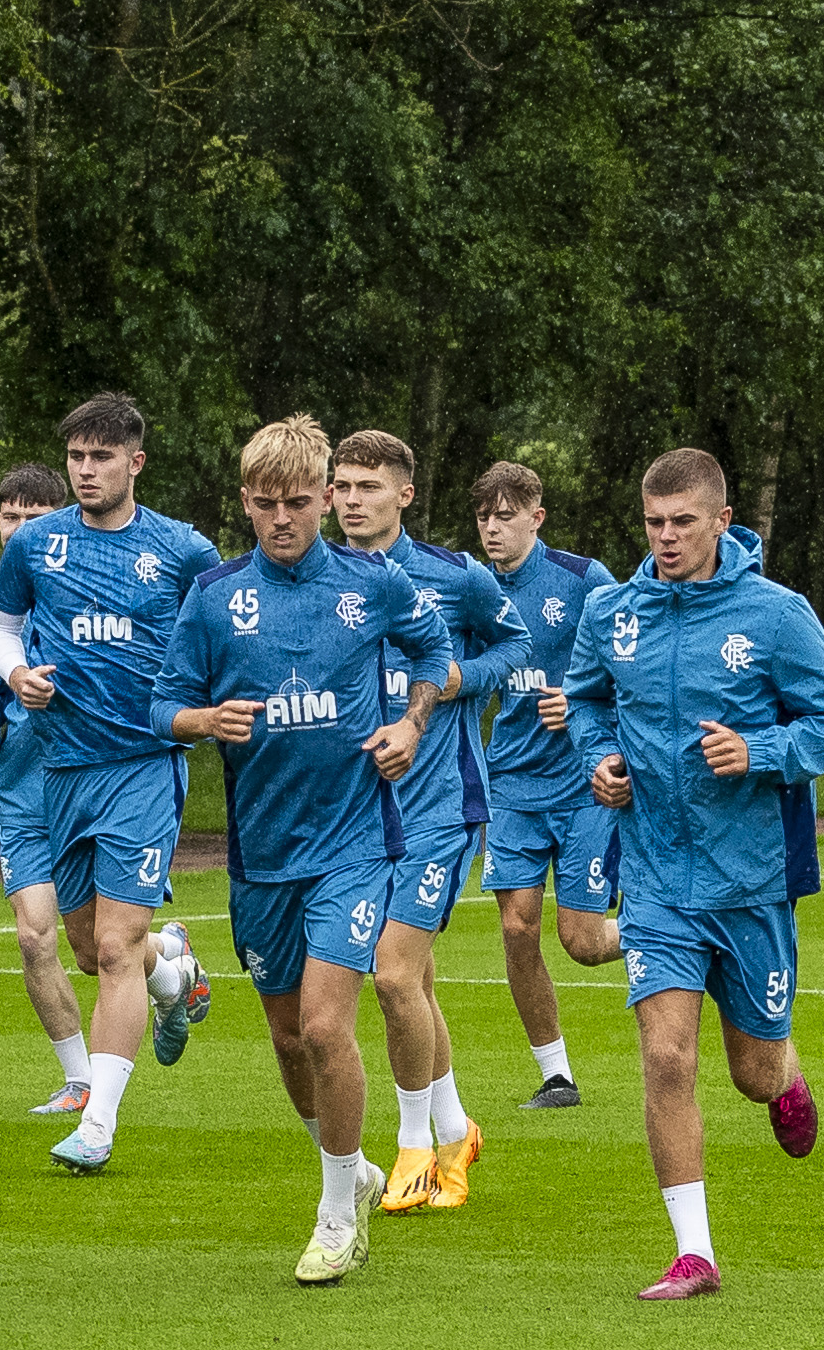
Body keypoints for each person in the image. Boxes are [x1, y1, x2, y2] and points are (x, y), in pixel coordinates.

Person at [562, 449, 824, 1300]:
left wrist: (760, 750)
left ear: (721, 521)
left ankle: (786, 1073)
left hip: (751, 879)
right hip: (654, 880)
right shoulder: (613, 612)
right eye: (653, 522)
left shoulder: (775, 615)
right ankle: (695, 1251)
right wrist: (602, 757)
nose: (665, 537)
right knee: (664, 1056)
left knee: (751, 1071)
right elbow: (584, 700)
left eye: (682, 522)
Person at [151, 415, 442, 1283]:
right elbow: (163, 704)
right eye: (265, 504)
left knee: (325, 1024)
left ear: (324, 497)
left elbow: (434, 649)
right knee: (286, 1039)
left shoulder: (374, 582)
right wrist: (204, 719)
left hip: (352, 842)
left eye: (299, 502)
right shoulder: (212, 596)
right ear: (246, 502)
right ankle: (349, 1170)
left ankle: (333, 1217)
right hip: (260, 852)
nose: (283, 518)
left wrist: (411, 721)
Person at [0, 393, 226, 1173]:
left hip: (145, 767)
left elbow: (223, 630)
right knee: (91, 948)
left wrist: (203, 706)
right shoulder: (37, 545)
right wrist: (15, 672)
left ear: (135, 462)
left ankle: (98, 1123)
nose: (86, 470)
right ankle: (176, 970)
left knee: (114, 944)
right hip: (63, 768)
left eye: (101, 457)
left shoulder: (184, 550)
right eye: (76, 458)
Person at [332, 429, 528, 1211]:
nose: (350, 500)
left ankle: (414, 1142)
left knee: (390, 972)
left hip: (438, 809)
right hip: (350, 816)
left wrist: (458, 679)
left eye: (367, 486)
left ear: (405, 494)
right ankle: (455, 1125)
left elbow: (515, 644)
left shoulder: (455, 576)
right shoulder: (319, 579)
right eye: (341, 485)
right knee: (410, 981)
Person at [473, 461, 620, 1107]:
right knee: (516, 928)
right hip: (510, 784)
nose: (492, 528)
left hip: (583, 784)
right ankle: (558, 1074)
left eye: (506, 515)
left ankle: (667, 931)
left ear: (537, 517)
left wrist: (585, 699)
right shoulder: (475, 589)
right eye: (483, 516)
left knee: (583, 941)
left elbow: (635, 662)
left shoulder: (584, 580)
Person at [0, 462, 103, 1117]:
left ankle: (171, 964)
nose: (17, 528)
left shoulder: (92, 588)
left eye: (32, 517)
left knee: (99, 950)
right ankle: (80, 1080)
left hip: (92, 786)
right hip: (22, 797)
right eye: (7, 515)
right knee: (33, 937)